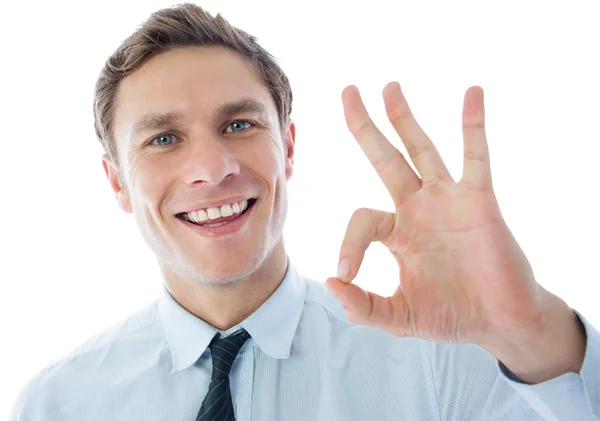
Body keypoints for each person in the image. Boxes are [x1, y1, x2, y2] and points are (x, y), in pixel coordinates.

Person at [9, 3, 599, 420]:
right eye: (163, 139)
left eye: (238, 124)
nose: (212, 169)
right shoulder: (56, 405)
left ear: (287, 148)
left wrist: (532, 330)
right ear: (116, 181)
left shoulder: (437, 364)